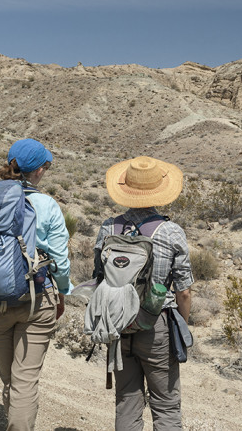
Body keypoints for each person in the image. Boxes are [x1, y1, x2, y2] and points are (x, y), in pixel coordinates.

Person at [0, 138, 72, 430]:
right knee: (24, 381)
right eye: (45, 166)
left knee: (10, 379)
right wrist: (63, 291)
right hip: (37, 301)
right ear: (39, 171)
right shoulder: (47, 204)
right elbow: (61, 259)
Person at [92, 156, 193, 431]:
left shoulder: (108, 227)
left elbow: (98, 277)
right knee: (166, 406)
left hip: (118, 325)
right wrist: (181, 324)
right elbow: (183, 290)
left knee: (126, 401)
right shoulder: (171, 232)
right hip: (156, 323)